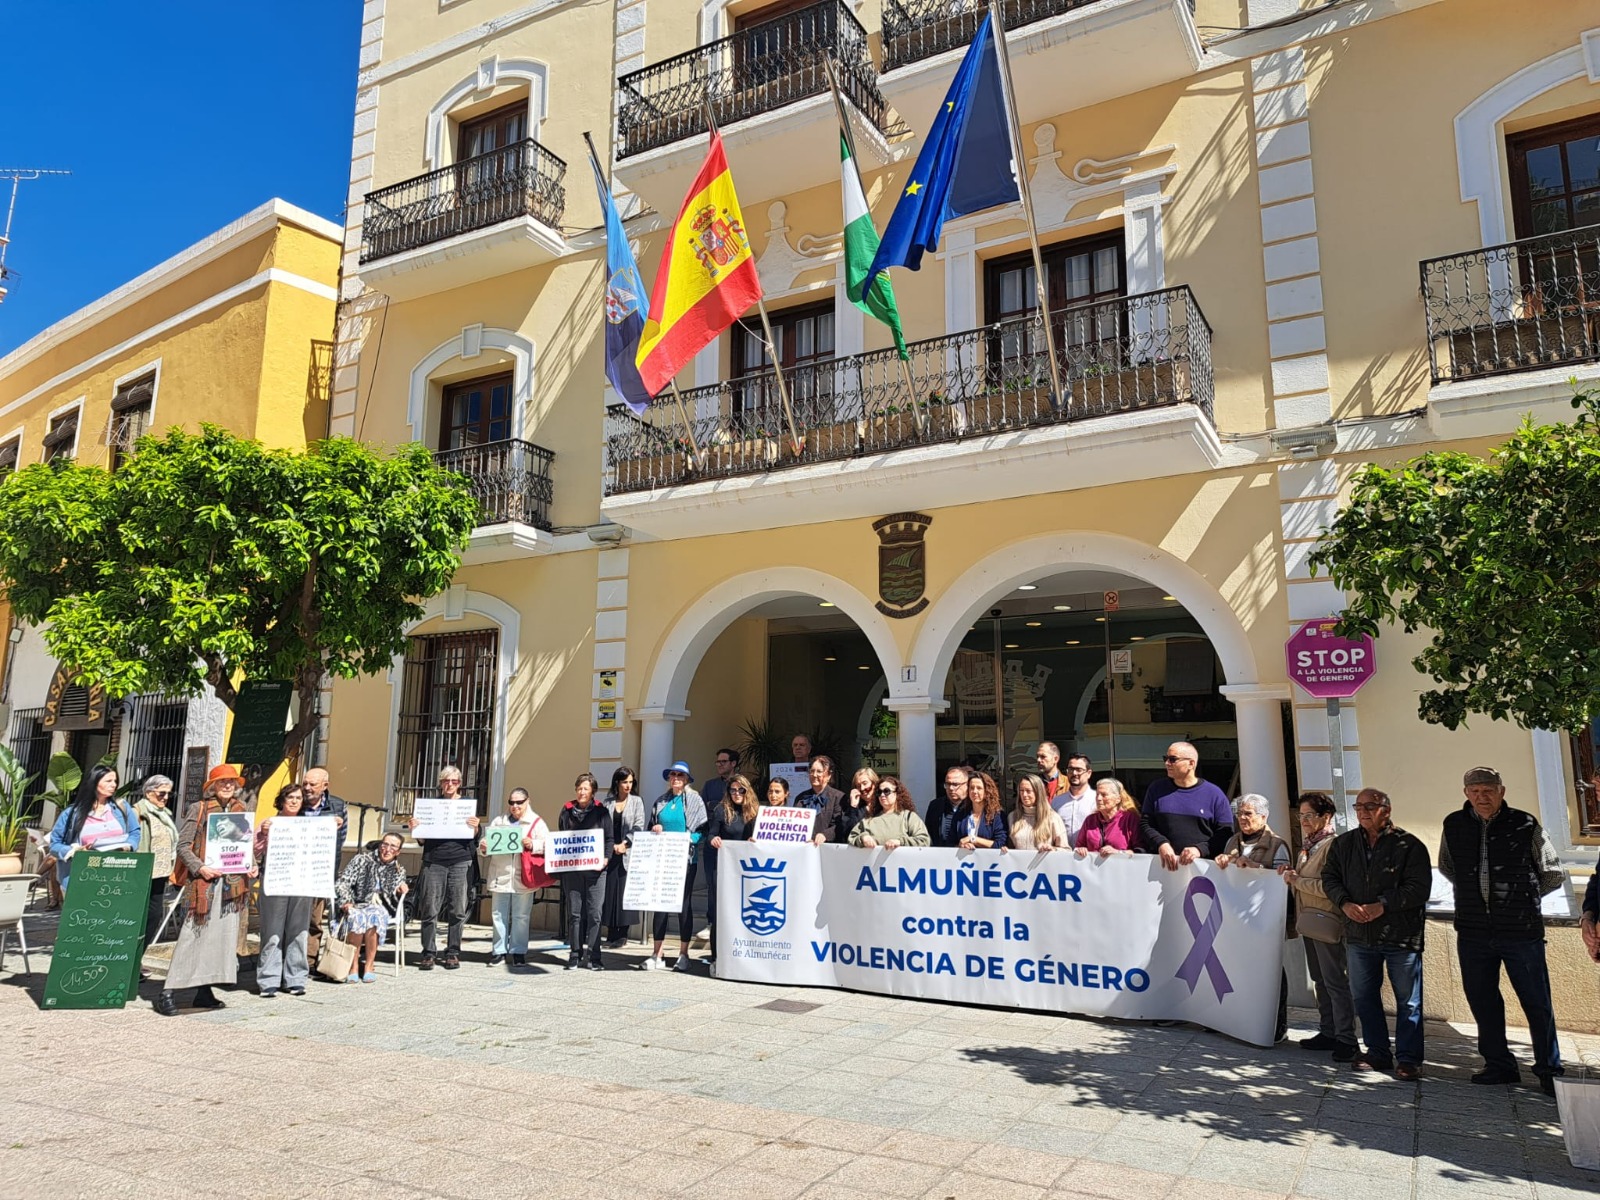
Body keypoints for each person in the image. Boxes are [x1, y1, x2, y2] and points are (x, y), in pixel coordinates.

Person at [1438, 765, 1566, 1094]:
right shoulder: (1453, 824)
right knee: (1482, 999)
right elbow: (1448, 866)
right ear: (1466, 793)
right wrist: (1476, 896)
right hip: (1473, 930)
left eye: (1489, 791)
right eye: (1475, 791)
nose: (1482, 797)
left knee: (1537, 1002)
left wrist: (1522, 899)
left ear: (1501, 791)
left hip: (1520, 931)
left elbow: (1552, 872)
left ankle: (1549, 1070)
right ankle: (1499, 1064)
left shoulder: (1525, 823)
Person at [1321, 787, 1432, 1081]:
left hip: (1401, 937)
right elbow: (1329, 877)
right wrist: (1344, 903)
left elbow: (1419, 888)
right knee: (1364, 996)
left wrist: (1382, 905)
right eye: (1358, 807)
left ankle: (1409, 1059)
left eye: (1370, 806)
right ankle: (1377, 1051)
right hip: (1359, 935)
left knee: (1408, 1001)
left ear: (1387, 809)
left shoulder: (1409, 845)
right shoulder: (1343, 844)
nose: (1363, 811)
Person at [155, 765, 252, 1016]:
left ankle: (204, 989)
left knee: (220, 939)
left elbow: (244, 846)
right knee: (193, 936)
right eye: (222, 782)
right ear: (211, 787)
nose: (228, 786)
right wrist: (201, 868)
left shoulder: (241, 810)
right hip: (203, 885)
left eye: (231, 782)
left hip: (232, 886)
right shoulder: (199, 809)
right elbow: (183, 846)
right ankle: (168, 991)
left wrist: (251, 865)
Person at [1280, 791, 1357, 1063]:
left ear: (1326, 816)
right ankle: (1328, 1030)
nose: (1304, 821)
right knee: (1320, 980)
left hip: (1328, 921)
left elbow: (1333, 887)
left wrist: (1296, 881)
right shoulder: (1309, 845)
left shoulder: (1334, 845)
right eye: (1301, 816)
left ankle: (1347, 1038)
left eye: (1310, 815)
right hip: (1310, 922)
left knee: (1336, 981)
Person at [1215, 794, 1292, 1043]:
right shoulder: (1231, 842)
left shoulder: (1277, 845)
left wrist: (1255, 870)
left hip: (1263, 921)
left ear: (1263, 816)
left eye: (1248, 813)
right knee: (1236, 968)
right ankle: (1235, 1018)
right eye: (1240, 814)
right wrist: (1222, 862)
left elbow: (1281, 881)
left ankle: (1276, 1025)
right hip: (1235, 920)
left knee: (1271, 972)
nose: (1243, 819)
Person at [407, 765, 480, 971]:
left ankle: (453, 952)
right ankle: (428, 953)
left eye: (454, 782)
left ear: (460, 784)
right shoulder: (430, 806)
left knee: (457, 908)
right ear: (440, 783)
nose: (450, 785)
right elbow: (421, 839)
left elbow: (475, 836)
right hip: (434, 861)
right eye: (446, 781)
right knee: (430, 908)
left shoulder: (467, 804)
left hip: (460, 860)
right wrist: (416, 829)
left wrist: (475, 826)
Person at [645, 761, 706, 971]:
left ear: (687, 779)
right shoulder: (661, 801)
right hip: (662, 860)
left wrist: (689, 838)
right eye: (673, 775)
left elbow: (702, 830)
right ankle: (657, 953)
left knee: (683, 905)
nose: (676, 779)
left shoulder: (695, 800)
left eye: (680, 775)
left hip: (685, 861)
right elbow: (649, 826)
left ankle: (683, 953)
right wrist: (655, 828)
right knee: (660, 905)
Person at [254, 783, 313, 996]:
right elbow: (255, 851)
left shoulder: (310, 825)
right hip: (275, 881)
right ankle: (268, 980)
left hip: (302, 882)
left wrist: (332, 826)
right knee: (272, 930)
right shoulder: (269, 823)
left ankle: (295, 978)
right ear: (282, 800)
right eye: (290, 797)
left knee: (299, 930)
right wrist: (262, 834)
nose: (295, 801)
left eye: (298, 797)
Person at [479, 787, 546, 967]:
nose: (515, 806)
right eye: (511, 802)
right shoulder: (499, 821)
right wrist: (483, 846)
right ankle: (499, 951)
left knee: (521, 916)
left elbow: (547, 845)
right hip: (500, 874)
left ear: (527, 801)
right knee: (498, 915)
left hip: (523, 876)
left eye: (519, 802)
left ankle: (518, 951)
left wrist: (533, 844)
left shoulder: (536, 822)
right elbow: (485, 844)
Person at [1141, 741, 1233, 870]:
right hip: (1163, 869)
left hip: (1203, 871)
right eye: (1165, 758)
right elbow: (1146, 824)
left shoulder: (1214, 794)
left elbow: (1225, 832)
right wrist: (1161, 843)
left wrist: (1200, 849)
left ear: (1191, 763)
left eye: (1173, 759)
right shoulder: (1156, 789)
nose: (1167, 763)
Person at [49, 765, 140, 891]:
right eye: (108, 781)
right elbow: (55, 844)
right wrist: (73, 851)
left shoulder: (121, 807)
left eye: (115, 781)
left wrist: (129, 845)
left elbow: (134, 832)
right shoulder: (72, 813)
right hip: (82, 877)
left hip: (116, 877)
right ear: (94, 782)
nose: (114, 785)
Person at [335, 832, 411, 981]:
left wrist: (401, 888)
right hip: (357, 902)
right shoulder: (362, 860)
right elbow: (343, 883)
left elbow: (395, 890)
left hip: (382, 907)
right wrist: (346, 901)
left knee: (374, 916)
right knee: (357, 917)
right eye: (385, 844)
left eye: (393, 846)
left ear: (398, 851)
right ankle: (353, 966)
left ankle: (369, 965)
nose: (387, 849)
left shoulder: (398, 869)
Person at [559, 773, 613, 970]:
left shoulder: (602, 812)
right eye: (579, 788)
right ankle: (574, 954)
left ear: (593, 792)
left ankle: (594, 956)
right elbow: (562, 838)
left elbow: (609, 838)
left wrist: (606, 859)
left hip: (596, 871)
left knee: (594, 913)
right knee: (574, 914)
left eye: (586, 789)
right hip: (573, 870)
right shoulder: (566, 811)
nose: (582, 792)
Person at [706, 773, 759, 962]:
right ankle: (717, 955)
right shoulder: (721, 810)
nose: (736, 793)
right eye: (733, 790)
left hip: (746, 870)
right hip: (724, 868)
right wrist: (714, 839)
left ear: (747, 790)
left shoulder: (755, 811)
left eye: (740, 790)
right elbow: (710, 834)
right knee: (720, 911)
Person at [300, 766, 348, 960]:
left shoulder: (337, 805)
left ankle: (310, 960)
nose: (307, 788)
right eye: (305, 783)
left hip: (321, 871)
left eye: (313, 784)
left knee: (315, 918)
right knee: (294, 918)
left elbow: (341, 839)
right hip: (296, 870)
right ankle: (290, 959)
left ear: (325, 786)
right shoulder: (295, 800)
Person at [132, 774, 178, 945]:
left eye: (168, 794)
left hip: (160, 873)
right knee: (139, 917)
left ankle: (139, 956)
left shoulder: (164, 814)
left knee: (154, 916)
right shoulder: (138, 812)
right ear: (148, 793)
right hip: (142, 873)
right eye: (161, 793)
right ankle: (132, 959)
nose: (165, 797)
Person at [700, 749, 739, 935]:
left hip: (736, 846)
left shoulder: (742, 785)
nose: (720, 765)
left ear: (733, 763)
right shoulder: (709, 786)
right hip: (713, 843)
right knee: (713, 884)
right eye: (718, 762)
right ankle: (711, 922)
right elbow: (702, 812)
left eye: (724, 762)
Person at [603, 767, 642, 948]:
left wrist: (625, 844)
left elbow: (639, 825)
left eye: (630, 782)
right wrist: (611, 846)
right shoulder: (608, 802)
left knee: (625, 891)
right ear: (617, 782)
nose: (628, 785)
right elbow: (602, 826)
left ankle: (622, 934)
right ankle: (611, 932)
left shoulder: (636, 801)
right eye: (624, 782)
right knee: (610, 892)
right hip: (610, 853)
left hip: (627, 851)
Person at [850, 777, 931, 850]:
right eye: (879, 792)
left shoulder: (908, 817)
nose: (882, 795)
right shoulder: (869, 819)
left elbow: (924, 840)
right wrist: (863, 838)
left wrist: (900, 842)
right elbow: (852, 836)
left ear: (897, 793)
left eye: (886, 791)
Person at [1075, 778, 1141, 856]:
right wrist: (1081, 850)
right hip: (1093, 867)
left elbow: (1140, 850)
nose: (1098, 798)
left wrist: (1118, 853)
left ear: (1118, 799)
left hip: (1122, 866)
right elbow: (1078, 846)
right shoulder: (1090, 820)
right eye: (1097, 794)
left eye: (1104, 795)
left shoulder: (1130, 819)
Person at [794, 755, 845, 847]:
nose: (814, 775)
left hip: (829, 848)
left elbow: (840, 824)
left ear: (829, 775)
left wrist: (825, 835)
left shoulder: (838, 797)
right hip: (804, 847)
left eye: (819, 771)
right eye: (812, 771)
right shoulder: (801, 798)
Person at [1010, 773, 1067, 851]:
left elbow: (1066, 850)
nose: (1024, 794)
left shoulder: (1053, 818)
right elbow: (1009, 848)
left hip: (1045, 863)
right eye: (1021, 791)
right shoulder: (1012, 817)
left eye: (1028, 791)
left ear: (1038, 792)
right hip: (1019, 863)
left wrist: (1053, 849)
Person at [951, 771, 1008, 850]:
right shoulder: (960, 814)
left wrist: (974, 839)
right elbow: (951, 843)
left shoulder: (997, 815)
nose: (974, 791)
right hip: (964, 861)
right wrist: (962, 846)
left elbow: (1000, 843)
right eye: (971, 788)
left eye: (979, 788)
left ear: (986, 791)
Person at [1052, 754, 1098, 846]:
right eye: (1071, 769)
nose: (1074, 773)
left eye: (1079, 770)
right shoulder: (1056, 802)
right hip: (1063, 856)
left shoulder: (1097, 800)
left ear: (1089, 773)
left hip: (1090, 856)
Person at [837, 767, 878, 846]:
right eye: (858, 786)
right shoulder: (857, 808)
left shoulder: (884, 804)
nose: (862, 788)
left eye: (865, 783)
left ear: (874, 783)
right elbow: (847, 832)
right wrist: (853, 807)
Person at [929, 766, 968, 849]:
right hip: (940, 856)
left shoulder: (973, 806)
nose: (951, 788)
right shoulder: (935, 805)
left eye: (955, 784)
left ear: (966, 785)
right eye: (947, 784)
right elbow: (929, 834)